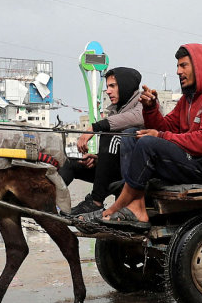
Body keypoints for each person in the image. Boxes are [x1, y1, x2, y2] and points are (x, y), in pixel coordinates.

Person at [95, 44, 202, 226]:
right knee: (132, 134)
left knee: (148, 143)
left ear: (199, 66)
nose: (178, 71)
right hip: (190, 161)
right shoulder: (188, 99)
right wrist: (151, 109)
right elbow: (167, 126)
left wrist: (160, 136)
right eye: (177, 66)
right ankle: (135, 203)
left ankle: (119, 203)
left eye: (183, 65)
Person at [61, 67, 144, 215]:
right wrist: (99, 159)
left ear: (126, 85)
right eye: (107, 87)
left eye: (113, 86)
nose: (108, 91)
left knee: (109, 136)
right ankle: (48, 202)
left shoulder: (144, 102)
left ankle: (96, 202)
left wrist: (95, 127)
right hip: (114, 170)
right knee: (72, 164)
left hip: (136, 171)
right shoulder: (115, 109)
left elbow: (136, 117)